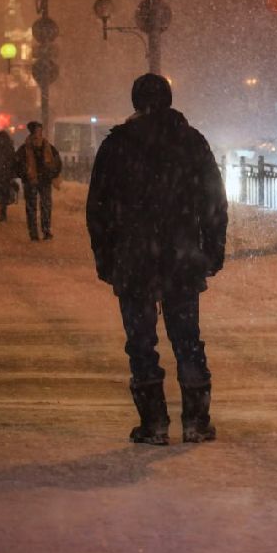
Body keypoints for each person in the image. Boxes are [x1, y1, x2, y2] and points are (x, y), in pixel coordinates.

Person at [86, 74, 228, 446]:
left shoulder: (117, 146)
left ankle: (154, 423)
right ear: (169, 99)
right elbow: (214, 201)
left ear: (136, 102)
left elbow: (97, 208)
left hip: (134, 260)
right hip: (181, 257)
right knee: (187, 338)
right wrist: (212, 250)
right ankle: (196, 421)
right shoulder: (191, 142)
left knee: (141, 341)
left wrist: (106, 257)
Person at [15, 121, 62, 240]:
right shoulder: (25, 149)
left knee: (46, 206)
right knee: (32, 207)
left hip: (45, 180)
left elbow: (57, 162)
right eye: (37, 130)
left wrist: (53, 174)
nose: (39, 133)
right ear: (32, 132)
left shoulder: (47, 147)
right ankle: (34, 233)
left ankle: (46, 230)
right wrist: (25, 174)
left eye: (40, 130)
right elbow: (17, 164)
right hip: (31, 181)